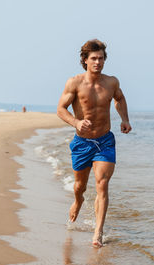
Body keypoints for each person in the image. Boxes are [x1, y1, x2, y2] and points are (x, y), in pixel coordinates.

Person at [57, 39, 132, 247]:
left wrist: (125, 119)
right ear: (85, 60)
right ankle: (78, 200)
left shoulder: (111, 82)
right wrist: (76, 122)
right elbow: (60, 109)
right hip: (82, 143)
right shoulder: (74, 83)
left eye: (101, 58)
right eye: (93, 58)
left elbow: (120, 98)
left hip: (105, 141)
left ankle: (98, 233)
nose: (98, 62)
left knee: (102, 183)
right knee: (80, 186)